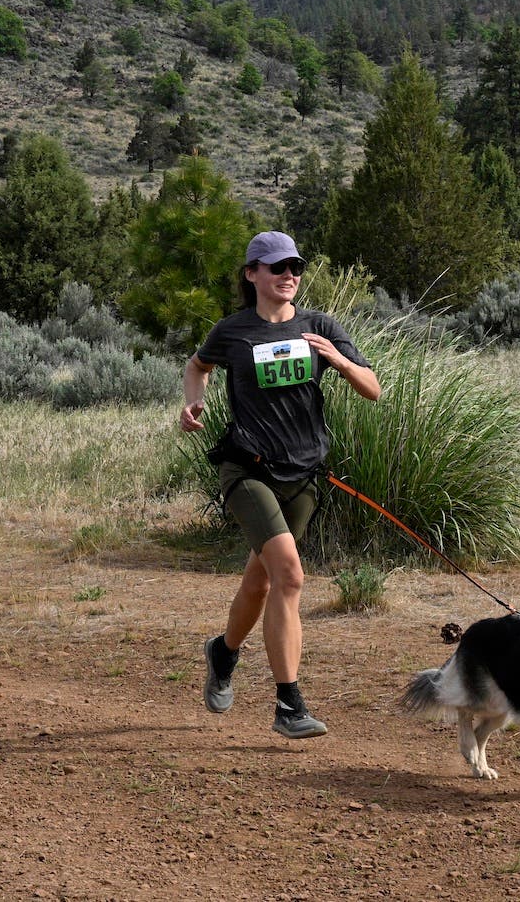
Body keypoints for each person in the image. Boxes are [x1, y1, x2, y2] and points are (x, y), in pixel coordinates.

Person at [179, 230, 380, 736]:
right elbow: (198, 365)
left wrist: (335, 358)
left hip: (305, 474)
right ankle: (289, 705)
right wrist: (192, 402)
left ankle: (222, 653)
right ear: (252, 275)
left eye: (294, 267)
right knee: (289, 575)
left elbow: (372, 389)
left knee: (261, 578)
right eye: (276, 267)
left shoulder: (321, 326)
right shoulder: (233, 331)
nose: (288, 275)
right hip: (247, 469)